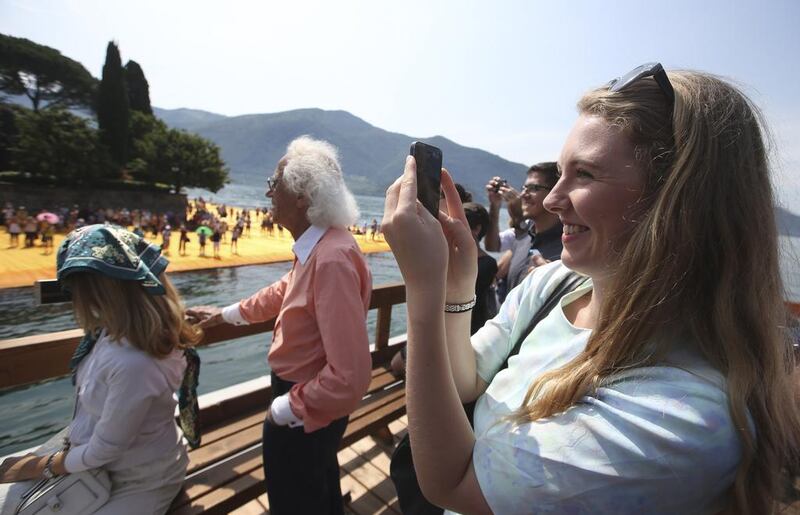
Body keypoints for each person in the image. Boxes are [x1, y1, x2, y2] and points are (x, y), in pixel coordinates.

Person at [380, 64, 800, 514]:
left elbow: (454, 484)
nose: (552, 200)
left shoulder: (683, 414)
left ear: (676, 203)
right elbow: (467, 378)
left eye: (584, 175)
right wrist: (457, 284)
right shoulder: (556, 285)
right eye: (560, 172)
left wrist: (422, 291)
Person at [187, 136, 373, 515]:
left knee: (295, 501)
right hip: (311, 400)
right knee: (318, 490)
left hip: (306, 400)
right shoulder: (321, 246)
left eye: (275, 183)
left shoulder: (331, 258)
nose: (269, 192)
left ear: (303, 196)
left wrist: (284, 409)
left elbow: (350, 377)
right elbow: (283, 292)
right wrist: (227, 313)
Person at [0, 224, 202, 514]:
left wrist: (34, 466)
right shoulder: (119, 335)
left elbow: (104, 450)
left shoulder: (133, 361)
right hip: (124, 465)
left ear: (98, 293)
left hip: (139, 481)